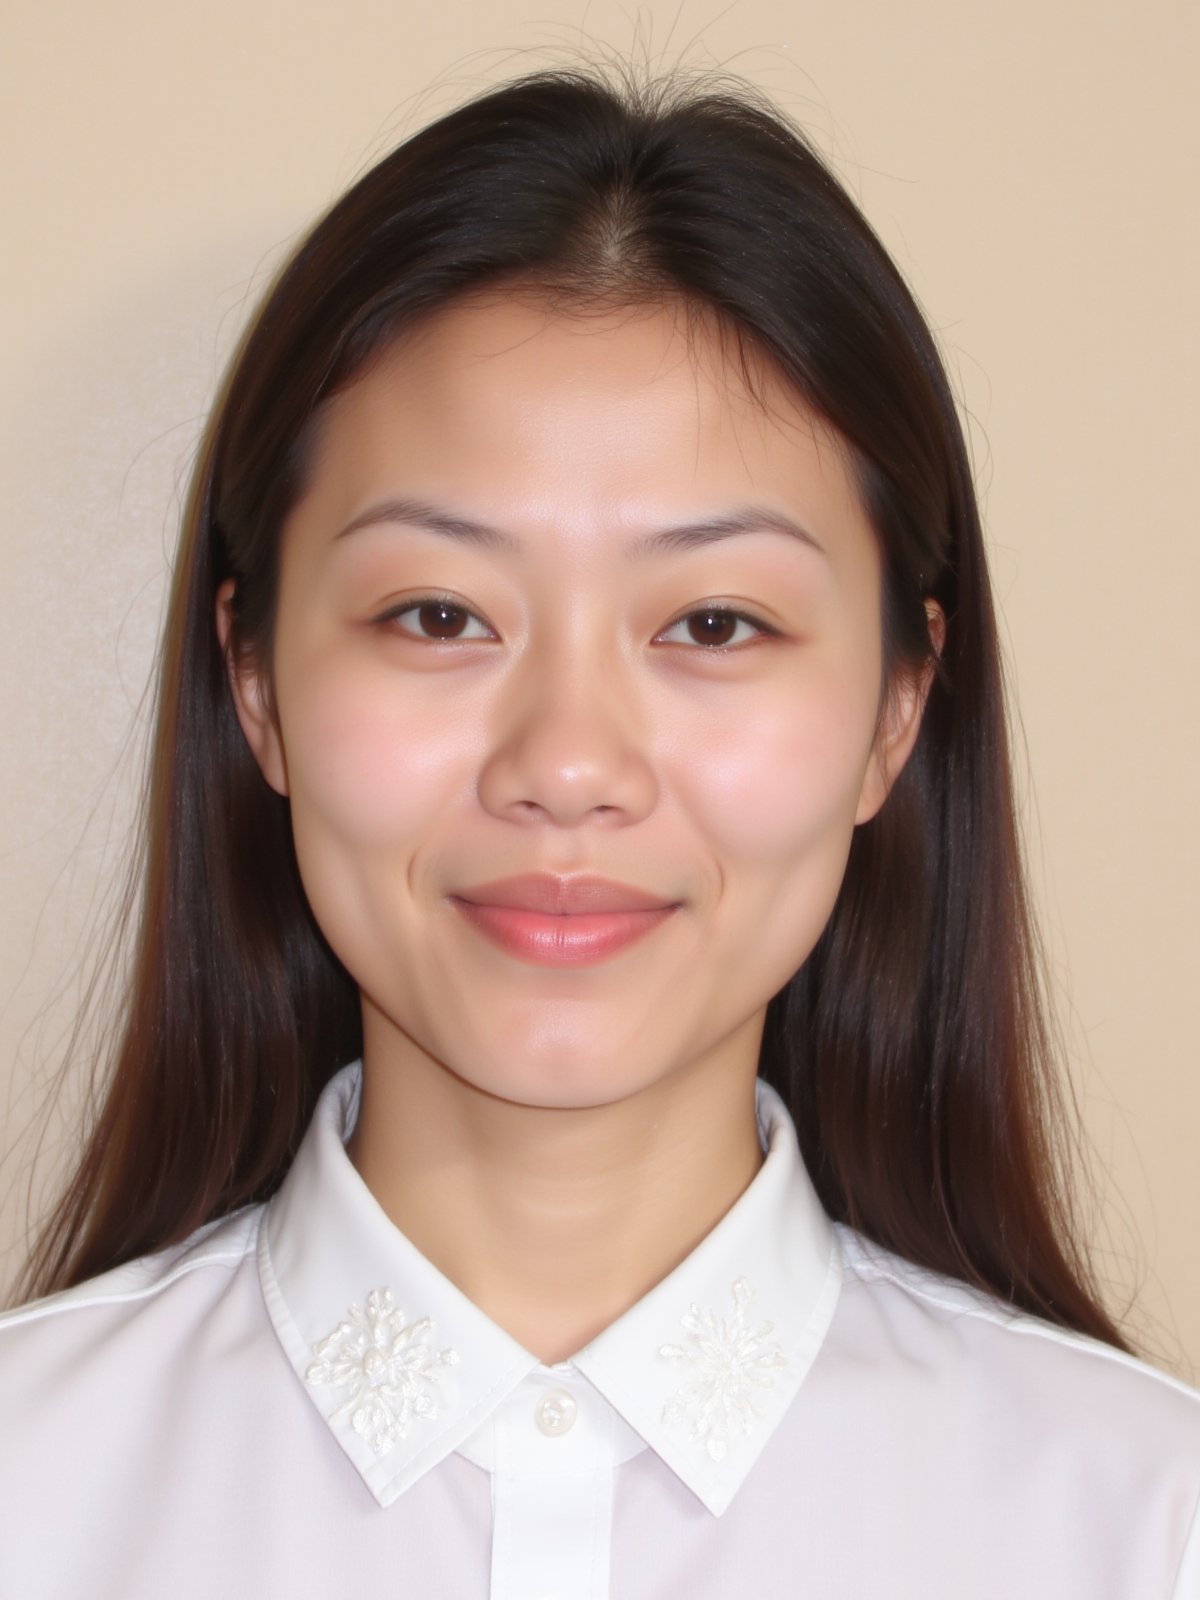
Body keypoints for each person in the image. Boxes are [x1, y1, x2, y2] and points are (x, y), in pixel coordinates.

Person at [1, 64, 1196, 1599]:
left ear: (898, 709)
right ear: (257, 686)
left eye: (712, 621)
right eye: (437, 614)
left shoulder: (1146, 1531)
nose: (567, 767)